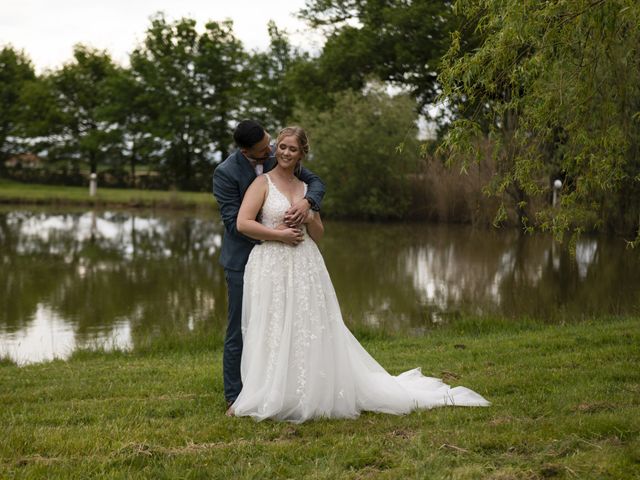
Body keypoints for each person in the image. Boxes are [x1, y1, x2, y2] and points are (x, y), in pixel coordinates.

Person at [231, 126, 490, 422]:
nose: (287, 153)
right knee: (274, 326)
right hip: (272, 263)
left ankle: (306, 391)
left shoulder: (306, 190)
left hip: (305, 263)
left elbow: (318, 234)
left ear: (303, 152)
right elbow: (243, 223)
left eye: (293, 149)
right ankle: (271, 392)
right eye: (283, 147)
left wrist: (310, 215)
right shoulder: (261, 183)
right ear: (276, 149)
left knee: (307, 326)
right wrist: (277, 235)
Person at [213, 120, 326, 416]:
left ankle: (292, 387)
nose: (275, 151)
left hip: (295, 261)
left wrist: (309, 205)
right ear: (246, 150)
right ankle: (236, 395)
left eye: (273, 144)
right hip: (247, 260)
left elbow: (317, 184)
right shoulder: (226, 173)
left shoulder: (283, 157)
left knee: (292, 324)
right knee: (242, 327)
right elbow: (234, 224)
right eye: (267, 148)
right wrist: (275, 233)